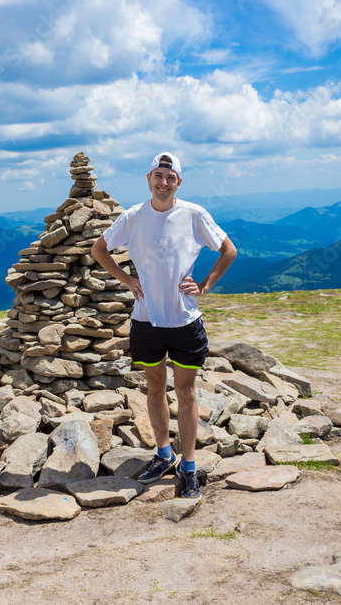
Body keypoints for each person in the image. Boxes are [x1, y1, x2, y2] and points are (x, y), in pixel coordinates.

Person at [91, 152, 236, 499]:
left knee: (185, 393)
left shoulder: (194, 214)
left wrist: (205, 285)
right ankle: (162, 454)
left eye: (170, 178)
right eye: (158, 175)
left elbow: (228, 250)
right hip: (146, 320)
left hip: (185, 320)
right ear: (149, 178)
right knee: (154, 390)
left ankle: (188, 466)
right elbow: (99, 249)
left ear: (179, 182)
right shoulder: (133, 217)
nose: (163, 183)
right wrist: (127, 280)